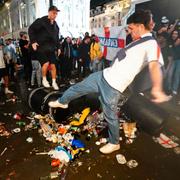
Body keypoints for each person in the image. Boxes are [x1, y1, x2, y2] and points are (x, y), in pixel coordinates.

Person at [48, 10, 171, 154]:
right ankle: (63, 101)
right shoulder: (138, 41)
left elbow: (155, 66)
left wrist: (157, 88)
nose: (129, 32)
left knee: (110, 115)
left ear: (140, 26)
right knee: (78, 87)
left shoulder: (151, 44)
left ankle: (114, 143)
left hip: (113, 86)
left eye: (131, 28)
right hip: (103, 75)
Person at [28, 5, 61, 90]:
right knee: (46, 63)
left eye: (56, 14)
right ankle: (44, 79)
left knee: (53, 66)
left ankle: (54, 82)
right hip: (41, 48)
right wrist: (33, 41)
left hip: (51, 48)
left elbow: (57, 38)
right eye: (54, 13)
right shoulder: (41, 21)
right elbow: (31, 29)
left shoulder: (56, 26)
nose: (55, 15)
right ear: (49, 12)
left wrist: (59, 48)